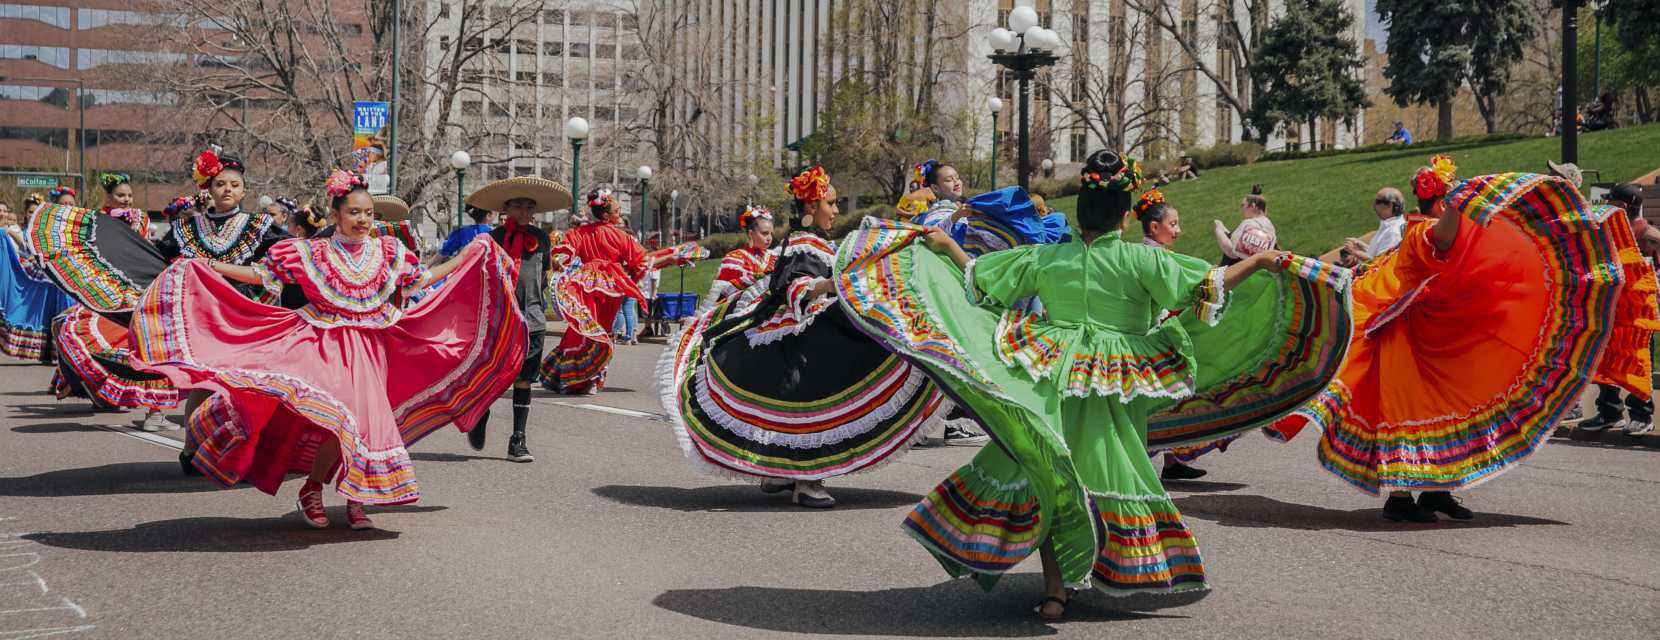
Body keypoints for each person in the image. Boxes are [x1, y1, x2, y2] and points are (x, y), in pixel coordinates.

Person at [831, 149, 1351, 618]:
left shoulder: (1048, 256)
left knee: (1047, 469)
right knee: (1112, 468)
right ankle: (1116, 569)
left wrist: (946, 246)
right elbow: (1207, 287)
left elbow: (982, 281)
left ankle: (1055, 590)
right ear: (1125, 216)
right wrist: (1259, 259)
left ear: (1080, 215)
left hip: (1053, 374)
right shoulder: (1141, 258)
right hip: (1111, 380)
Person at [126, 169, 525, 528]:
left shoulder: (387, 252)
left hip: (371, 348)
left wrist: (466, 257)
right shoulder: (311, 252)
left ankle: (352, 498)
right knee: (342, 421)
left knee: (361, 427)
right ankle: (315, 489)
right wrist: (214, 267)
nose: (363, 219)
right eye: (354, 212)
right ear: (336, 215)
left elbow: (421, 280)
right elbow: (263, 274)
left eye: (368, 213)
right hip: (323, 346)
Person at [1269, 156, 1640, 523]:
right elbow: (1441, 240)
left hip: (1445, 341)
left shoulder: (1440, 231)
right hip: (1409, 346)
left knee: (1449, 413)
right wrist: (1462, 202)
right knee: (1409, 416)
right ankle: (1400, 497)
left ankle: (1436, 491)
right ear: (1440, 199)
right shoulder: (1420, 233)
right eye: (1450, 196)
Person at [661, 166, 948, 509]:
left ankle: (780, 471)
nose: (837, 210)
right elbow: (798, 289)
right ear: (811, 208)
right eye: (831, 203)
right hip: (801, 336)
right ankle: (805, 479)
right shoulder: (803, 244)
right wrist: (837, 286)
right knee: (812, 401)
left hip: (804, 331)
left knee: (814, 399)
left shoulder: (815, 243)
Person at [45, 173, 177, 431]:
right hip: (110, 292)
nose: (126, 200)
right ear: (108, 197)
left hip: (141, 290)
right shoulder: (98, 221)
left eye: (129, 195)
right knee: (86, 334)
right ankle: (106, 394)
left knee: (155, 347)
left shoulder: (141, 218)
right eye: (120, 196)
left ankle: (154, 412)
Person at [462, 175, 571, 463]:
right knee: (492, 375)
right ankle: (479, 414)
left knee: (524, 380)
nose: (525, 212)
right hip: (500, 320)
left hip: (533, 320)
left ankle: (517, 440)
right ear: (505, 209)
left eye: (529, 207)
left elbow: (543, 278)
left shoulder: (542, 239)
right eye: (519, 206)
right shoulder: (491, 239)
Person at [542, 188, 670, 397]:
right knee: (603, 330)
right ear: (606, 215)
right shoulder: (621, 236)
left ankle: (573, 378)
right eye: (617, 211)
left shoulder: (577, 233)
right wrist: (668, 258)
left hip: (585, 284)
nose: (620, 215)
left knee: (582, 327)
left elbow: (562, 254)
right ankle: (593, 378)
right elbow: (641, 261)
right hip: (610, 287)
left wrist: (561, 269)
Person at [1578, 183, 1658, 437]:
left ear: (1623, 206)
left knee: (1637, 362)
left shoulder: (1649, 237)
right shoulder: (1611, 233)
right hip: (1611, 310)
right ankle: (1609, 412)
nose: (1606, 203)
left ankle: (1641, 415)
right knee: (1606, 359)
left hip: (1639, 315)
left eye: (1611, 200)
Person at [1, 195, 74, 363]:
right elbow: (30, 249)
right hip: (48, 275)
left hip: (67, 277)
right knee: (48, 312)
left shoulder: (76, 226)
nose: (68, 206)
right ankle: (52, 351)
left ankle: (66, 352)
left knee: (65, 313)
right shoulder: (41, 227)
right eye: (64, 203)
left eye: (71, 203)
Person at [700, 205, 776, 313]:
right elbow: (724, 296)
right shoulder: (735, 259)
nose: (769, 238)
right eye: (764, 233)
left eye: (771, 234)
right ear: (750, 234)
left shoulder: (775, 257)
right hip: (740, 313)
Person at [1213, 192, 1275, 265]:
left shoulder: (1251, 225)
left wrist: (1219, 230)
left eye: (1243, 205)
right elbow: (1239, 246)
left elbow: (1231, 252)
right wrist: (1224, 230)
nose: (1241, 209)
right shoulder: (1266, 226)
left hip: (1235, 273)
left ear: (1252, 206)